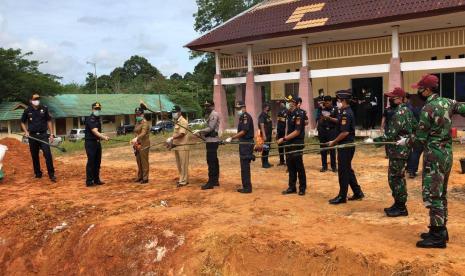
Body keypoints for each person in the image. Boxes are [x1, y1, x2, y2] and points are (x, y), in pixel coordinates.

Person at [398, 74, 465, 248]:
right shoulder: (448, 102)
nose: (418, 92)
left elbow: (420, 139)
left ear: (427, 90)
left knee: (434, 195)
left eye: (420, 89)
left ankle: (437, 237)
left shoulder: (427, 109)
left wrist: (406, 141)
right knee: (441, 193)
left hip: (434, 156)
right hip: (447, 154)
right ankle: (440, 229)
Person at [372, 88, 417, 217]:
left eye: (392, 98)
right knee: (398, 177)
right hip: (401, 150)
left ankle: (401, 207)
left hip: (398, 151)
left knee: (395, 178)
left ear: (400, 99)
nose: (390, 100)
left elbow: (391, 134)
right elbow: (415, 127)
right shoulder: (407, 111)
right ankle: (398, 204)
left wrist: (374, 141)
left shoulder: (400, 113)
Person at [328, 90, 364, 204]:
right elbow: (339, 122)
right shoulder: (343, 111)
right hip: (345, 145)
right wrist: (329, 118)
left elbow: (345, 132)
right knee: (347, 169)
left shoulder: (346, 113)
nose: (337, 102)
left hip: (346, 145)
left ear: (343, 101)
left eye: (338, 100)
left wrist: (333, 141)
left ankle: (342, 196)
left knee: (343, 171)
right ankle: (357, 192)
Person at [20, 94, 57, 182]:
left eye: (38, 99)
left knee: (48, 154)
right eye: (35, 99)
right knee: (34, 155)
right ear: (31, 100)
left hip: (43, 135)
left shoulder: (44, 108)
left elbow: (49, 121)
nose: (37, 100)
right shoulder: (27, 110)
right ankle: (38, 173)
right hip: (32, 136)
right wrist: (26, 132)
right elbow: (22, 122)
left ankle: (51, 174)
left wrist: (51, 134)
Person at [278, 95, 307, 196]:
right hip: (289, 143)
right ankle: (292, 187)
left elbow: (297, 131)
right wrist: (285, 139)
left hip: (297, 143)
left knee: (299, 166)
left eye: (289, 101)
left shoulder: (299, 114)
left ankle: (302, 188)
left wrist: (284, 138)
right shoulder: (289, 113)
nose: (288, 103)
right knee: (290, 166)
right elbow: (287, 128)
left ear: (294, 103)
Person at [225, 101, 255, 193]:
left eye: (239, 108)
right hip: (244, 143)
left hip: (246, 143)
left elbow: (244, 131)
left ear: (244, 107)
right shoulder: (242, 117)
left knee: (245, 166)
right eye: (236, 109)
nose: (238, 110)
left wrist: (232, 137)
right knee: (244, 165)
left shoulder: (246, 117)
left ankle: (247, 188)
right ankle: (246, 186)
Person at [194, 100, 220, 190]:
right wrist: (201, 135)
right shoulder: (209, 115)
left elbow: (211, 128)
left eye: (208, 106)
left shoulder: (214, 114)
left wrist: (200, 131)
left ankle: (211, 182)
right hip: (209, 140)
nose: (206, 108)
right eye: (205, 106)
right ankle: (215, 180)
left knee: (211, 162)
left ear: (212, 106)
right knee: (214, 161)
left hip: (212, 141)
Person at [84, 102, 109, 187]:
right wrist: (104, 137)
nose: (97, 110)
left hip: (97, 143)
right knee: (91, 162)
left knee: (97, 162)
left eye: (99, 109)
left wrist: (103, 136)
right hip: (90, 143)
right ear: (92, 109)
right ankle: (89, 181)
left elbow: (98, 131)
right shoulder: (91, 118)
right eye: (96, 109)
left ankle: (96, 179)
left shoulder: (97, 118)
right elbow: (94, 131)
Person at [167, 105, 190, 187]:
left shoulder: (183, 121)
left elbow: (182, 134)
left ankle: (184, 181)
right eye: (173, 112)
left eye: (175, 112)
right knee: (179, 164)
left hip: (183, 146)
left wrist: (171, 138)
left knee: (184, 164)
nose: (174, 114)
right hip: (177, 146)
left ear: (180, 112)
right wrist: (171, 142)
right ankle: (182, 179)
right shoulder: (176, 121)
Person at [317, 96, 338, 173]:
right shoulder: (321, 109)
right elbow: (318, 120)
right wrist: (322, 119)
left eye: (328, 102)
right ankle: (324, 166)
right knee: (323, 149)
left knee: (332, 149)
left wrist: (330, 118)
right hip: (323, 131)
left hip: (332, 131)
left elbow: (338, 120)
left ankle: (334, 167)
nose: (326, 104)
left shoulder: (335, 109)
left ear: (331, 102)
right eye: (325, 103)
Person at [406, 94, 424, 178]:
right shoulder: (420, 109)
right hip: (423, 133)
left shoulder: (410, 109)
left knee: (415, 152)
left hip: (416, 133)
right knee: (418, 152)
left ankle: (411, 171)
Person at [131, 107, 150, 184]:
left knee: (144, 161)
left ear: (142, 114)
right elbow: (136, 132)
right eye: (136, 114)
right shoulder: (137, 123)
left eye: (139, 114)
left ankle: (145, 178)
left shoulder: (145, 123)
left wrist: (137, 138)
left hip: (144, 144)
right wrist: (134, 140)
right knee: (138, 161)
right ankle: (140, 176)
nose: (137, 115)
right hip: (137, 144)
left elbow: (143, 133)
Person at [258, 103, 273, 168]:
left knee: (267, 148)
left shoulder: (267, 115)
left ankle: (266, 162)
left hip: (269, 135)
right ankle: (264, 164)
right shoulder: (262, 115)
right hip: (265, 135)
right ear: (265, 108)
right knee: (265, 148)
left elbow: (268, 124)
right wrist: (264, 135)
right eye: (267, 106)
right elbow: (262, 125)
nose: (269, 107)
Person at [276, 101, 287, 166]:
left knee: (286, 147)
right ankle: (281, 160)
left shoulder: (288, 112)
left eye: (282, 103)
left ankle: (287, 161)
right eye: (280, 104)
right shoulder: (279, 112)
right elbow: (278, 122)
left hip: (285, 132)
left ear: (284, 104)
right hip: (280, 131)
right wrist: (277, 132)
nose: (280, 105)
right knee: (280, 147)